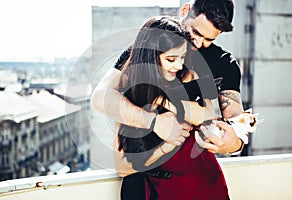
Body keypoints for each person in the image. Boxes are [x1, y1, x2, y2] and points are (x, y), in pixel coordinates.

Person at [91, 0, 247, 199]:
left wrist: (235, 144)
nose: (199, 44)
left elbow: (233, 120)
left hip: (195, 178)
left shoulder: (224, 65)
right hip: (144, 179)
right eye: (196, 33)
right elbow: (101, 97)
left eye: (209, 39)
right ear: (185, 10)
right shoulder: (150, 46)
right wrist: (155, 122)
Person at [114, 16, 224, 199]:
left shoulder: (187, 75)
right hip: (163, 190)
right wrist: (167, 144)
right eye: (171, 59)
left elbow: (208, 115)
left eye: (182, 57)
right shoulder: (132, 97)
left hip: (205, 184)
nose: (179, 65)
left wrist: (163, 100)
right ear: (151, 58)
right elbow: (122, 168)